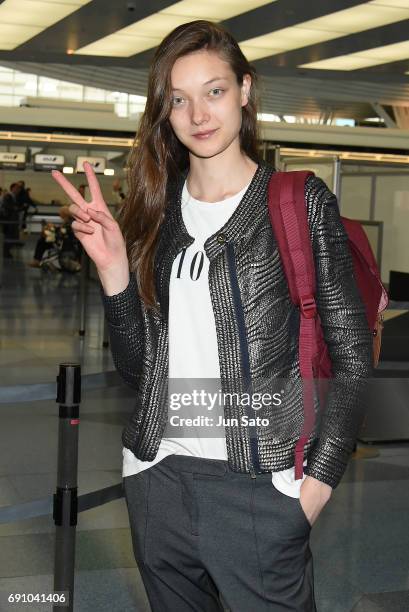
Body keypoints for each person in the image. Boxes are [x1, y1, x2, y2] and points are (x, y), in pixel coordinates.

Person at [51, 20, 373, 612]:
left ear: (246, 91)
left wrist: (314, 488)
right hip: (159, 478)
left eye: (215, 91)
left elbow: (352, 357)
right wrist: (116, 274)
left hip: (262, 487)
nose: (199, 113)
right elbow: (136, 372)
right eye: (179, 98)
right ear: (165, 113)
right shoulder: (157, 212)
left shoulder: (298, 203)